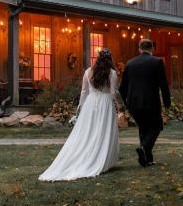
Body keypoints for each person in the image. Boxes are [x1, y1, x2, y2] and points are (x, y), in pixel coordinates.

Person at [39, 48, 123, 181]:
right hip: (105, 104)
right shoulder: (112, 73)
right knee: (103, 131)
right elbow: (113, 92)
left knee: (89, 131)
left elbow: (84, 92)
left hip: (91, 103)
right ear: (110, 59)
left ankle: (91, 155)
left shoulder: (88, 71)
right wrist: (118, 105)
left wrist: (81, 108)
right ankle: (100, 158)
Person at [119, 38, 171, 167]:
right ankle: (144, 148)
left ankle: (147, 159)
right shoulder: (157, 62)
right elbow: (163, 85)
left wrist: (124, 105)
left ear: (139, 49)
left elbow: (122, 88)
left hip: (133, 103)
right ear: (152, 49)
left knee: (143, 129)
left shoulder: (130, 63)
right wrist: (167, 103)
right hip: (150, 101)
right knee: (156, 126)